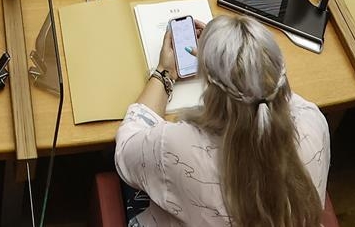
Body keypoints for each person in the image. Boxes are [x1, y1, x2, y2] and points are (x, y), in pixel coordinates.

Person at [115, 15, 329, 227]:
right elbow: (269, 93)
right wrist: (238, 55)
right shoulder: (312, 122)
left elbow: (126, 149)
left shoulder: (176, 147)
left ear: (211, 93)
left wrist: (166, 72)